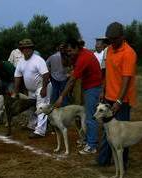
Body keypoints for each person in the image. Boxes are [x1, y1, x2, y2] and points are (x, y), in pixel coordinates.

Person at [97, 22, 137, 170]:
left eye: (114, 39)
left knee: (122, 133)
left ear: (122, 37)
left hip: (122, 100)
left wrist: (119, 101)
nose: (111, 42)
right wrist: (103, 90)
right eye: (109, 39)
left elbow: (127, 79)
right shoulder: (108, 50)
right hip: (108, 97)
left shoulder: (129, 53)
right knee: (107, 131)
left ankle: (123, 164)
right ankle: (103, 161)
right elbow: (107, 73)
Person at [55, 38, 102, 154]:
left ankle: (92, 145)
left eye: (70, 51)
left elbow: (72, 81)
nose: (69, 53)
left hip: (93, 88)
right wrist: (62, 53)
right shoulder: (80, 55)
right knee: (88, 115)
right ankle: (88, 140)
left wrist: (61, 96)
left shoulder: (83, 58)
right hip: (88, 87)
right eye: (67, 51)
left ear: (77, 48)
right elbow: (66, 64)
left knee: (91, 117)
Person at [14, 38, 51, 138]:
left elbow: (46, 74)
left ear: (32, 49)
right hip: (31, 89)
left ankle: (40, 131)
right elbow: (17, 77)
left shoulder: (38, 60)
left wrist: (44, 89)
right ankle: (32, 125)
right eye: (24, 48)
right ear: (21, 50)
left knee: (41, 107)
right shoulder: (21, 62)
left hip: (42, 86)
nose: (26, 50)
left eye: (29, 48)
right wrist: (15, 92)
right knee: (31, 107)